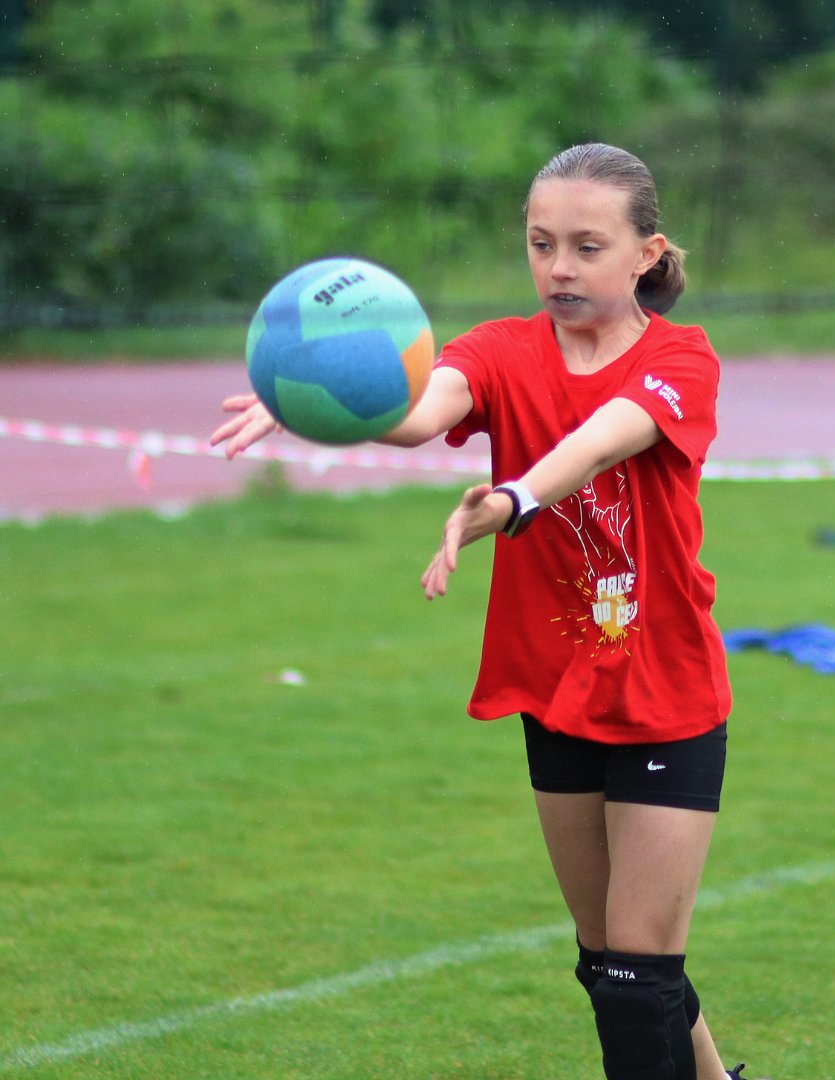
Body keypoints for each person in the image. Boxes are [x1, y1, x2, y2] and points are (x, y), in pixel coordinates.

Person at [213, 143, 748, 1080]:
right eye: (542, 244)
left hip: (665, 691)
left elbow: (600, 440)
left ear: (647, 255)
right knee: (612, 964)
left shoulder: (682, 357)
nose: (559, 267)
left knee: (638, 976)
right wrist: (316, 394)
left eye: (587, 246)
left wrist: (512, 499)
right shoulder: (499, 349)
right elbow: (423, 411)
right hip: (556, 689)